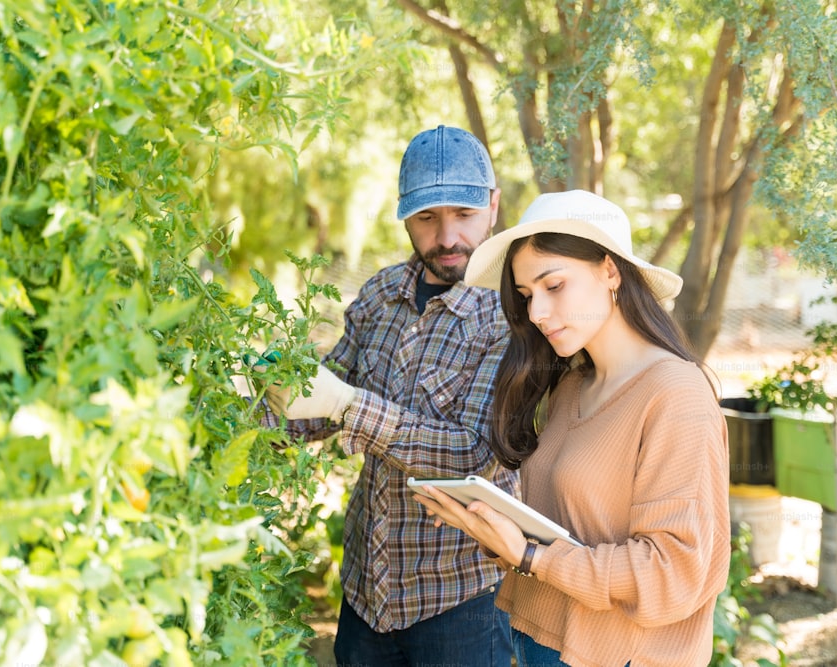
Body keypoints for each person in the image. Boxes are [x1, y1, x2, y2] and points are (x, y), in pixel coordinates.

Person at [413, 189, 730, 667]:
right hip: (541, 642)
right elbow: (572, 532)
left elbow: (673, 571)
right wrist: (495, 533)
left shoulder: (675, 394)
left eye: (554, 286)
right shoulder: (571, 387)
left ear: (610, 271)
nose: (537, 313)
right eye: (526, 296)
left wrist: (530, 557)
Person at [261, 125, 516, 666]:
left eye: (463, 215)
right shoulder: (379, 296)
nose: (447, 237)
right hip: (366, 593)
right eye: (427, 218)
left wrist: (349, 406)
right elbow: (313, 409)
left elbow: (477, 456)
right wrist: (254, 407)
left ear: (493, 206)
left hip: (460, 600)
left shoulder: (516, 314)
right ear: (405, 216)